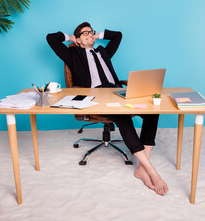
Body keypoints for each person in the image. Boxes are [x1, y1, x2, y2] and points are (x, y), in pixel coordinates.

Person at [46, 22, 168, 195]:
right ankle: (152, 171)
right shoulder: (73, 54)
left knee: (152, 113)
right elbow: (51, 38)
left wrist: (96, 36)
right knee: (123, 117)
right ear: (78, 40)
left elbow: (117, 35)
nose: (90, 34)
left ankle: (142, 167)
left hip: (117, 92)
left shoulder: (103, 51)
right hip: (97, 98)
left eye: (91, 32)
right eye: (85, 33)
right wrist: (71, 38)